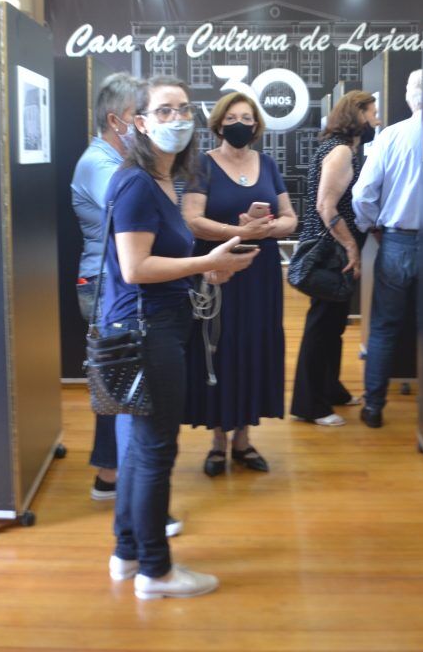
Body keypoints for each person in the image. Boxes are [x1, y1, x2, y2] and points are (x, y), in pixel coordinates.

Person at [100, 76, 256, 600]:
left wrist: (205, 272)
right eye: (164, 112)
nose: (178, 119)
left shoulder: (168, 181)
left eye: (184, 109)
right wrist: (204, 262)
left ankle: (127, 553)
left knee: (142, 449)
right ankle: (156, 571)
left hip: (160, 322)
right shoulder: (137, 183)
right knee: (154, 450)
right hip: (147, 330)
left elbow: (161, 259)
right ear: (140, 123)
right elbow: (135, 267)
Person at [182, 92, 298, 476]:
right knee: (219, 347)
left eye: (247, 117)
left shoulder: (267, 164)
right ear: (218, 123)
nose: (240, 123)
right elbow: (193, 219)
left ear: (256, 125)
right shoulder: (203, 164)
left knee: (254, 346)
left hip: (261, 275)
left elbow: (290, 219)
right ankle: (217, 441)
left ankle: (244, 439)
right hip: (217, 271)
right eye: (232, 116)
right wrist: (238, 231)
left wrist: (264, 230)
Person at [70, 73, 142, 501]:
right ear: (116, 121)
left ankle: (109, 474)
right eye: (140, 116)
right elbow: (130, 210)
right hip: (102, 284)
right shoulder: (99, 164)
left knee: (118, 376)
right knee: (120, 378)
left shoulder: (116, 162)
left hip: (113, 281)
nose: (146, 124)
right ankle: (121, 481)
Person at [290, 91, 380, 426]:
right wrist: (352, 248)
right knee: (322, 326)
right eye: (373, 113)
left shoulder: (340, 148)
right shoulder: (341, 151)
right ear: (357, 114)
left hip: (334, 250)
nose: (376, 120)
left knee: (333, 326)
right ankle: (310, 404)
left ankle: (331, 390)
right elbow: (325, 208)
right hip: (330, 251)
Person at [351, 70, 423, 428]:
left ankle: (374, 407)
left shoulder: (391, 136)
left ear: (410, 96)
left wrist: (372, 226)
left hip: (397, 241)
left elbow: (363, 194)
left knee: (382, 327)